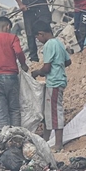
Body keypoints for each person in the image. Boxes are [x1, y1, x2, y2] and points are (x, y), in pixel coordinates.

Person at [30, 21, 71, 152]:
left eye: (37, 38)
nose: (38, 40)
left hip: (54, 82)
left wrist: (36, 72)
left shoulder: (48, 45)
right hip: (60, 80)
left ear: (41, 34)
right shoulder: (58, 42)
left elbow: (46, 68)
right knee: (49, 112)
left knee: (54, 112)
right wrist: (59, 65)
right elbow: (68, 61)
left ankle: (58, 144)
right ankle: (46, 141)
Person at [0, 16, 29, 128]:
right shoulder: (12, 38)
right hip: (11, 77)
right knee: (14, 109)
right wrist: (23, 64)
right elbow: (18, 51)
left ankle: (3, 140)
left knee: (1, 112)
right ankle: (16, 137)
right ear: (8, 27)